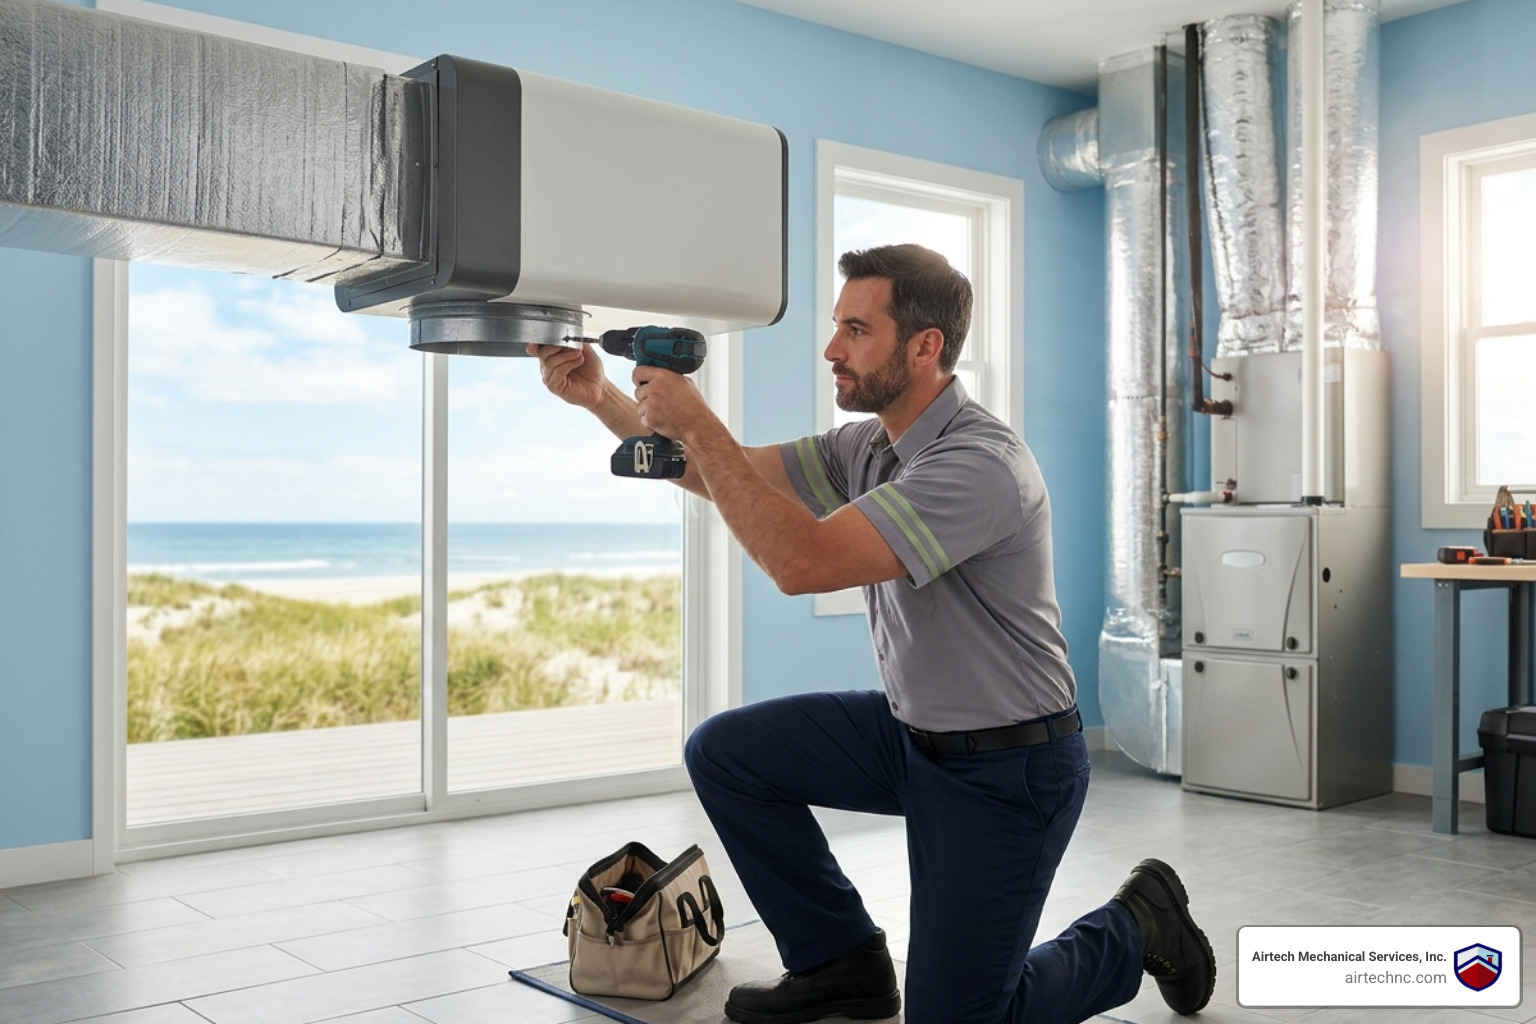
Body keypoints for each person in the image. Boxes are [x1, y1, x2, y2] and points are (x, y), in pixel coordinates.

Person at [530, 243, 1215, 1024]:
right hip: (909, 735)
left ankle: (1137, 924)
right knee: (727, 753)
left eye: (856, 330)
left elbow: (802, 560)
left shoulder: (978, 464)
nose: (831, 349)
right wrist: (604, 400)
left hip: (1010, 766)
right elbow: (726, 472)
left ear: (926, 347)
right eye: (836, 327)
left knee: (959, 1019)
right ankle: (840, 964)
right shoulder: (871, 444)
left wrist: (699, 417)